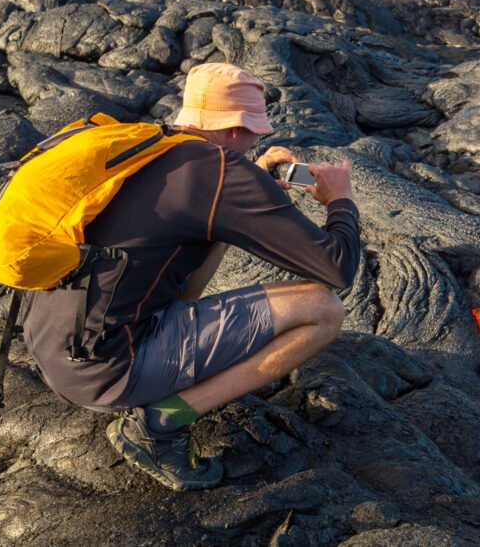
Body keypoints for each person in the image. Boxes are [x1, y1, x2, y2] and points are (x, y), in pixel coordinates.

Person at [20, 62, 361, 490]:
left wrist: (253, 183)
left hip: (55, 351)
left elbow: (190, 272)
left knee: (187, 271)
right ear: (237, 129)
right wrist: (341, 201)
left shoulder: (148, 147)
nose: (260, 140)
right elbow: (337, 267)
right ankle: (163, 422)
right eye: (258, 131)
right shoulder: (220, 173)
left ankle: (153, 387)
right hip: (109, 373)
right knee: (323, 310)